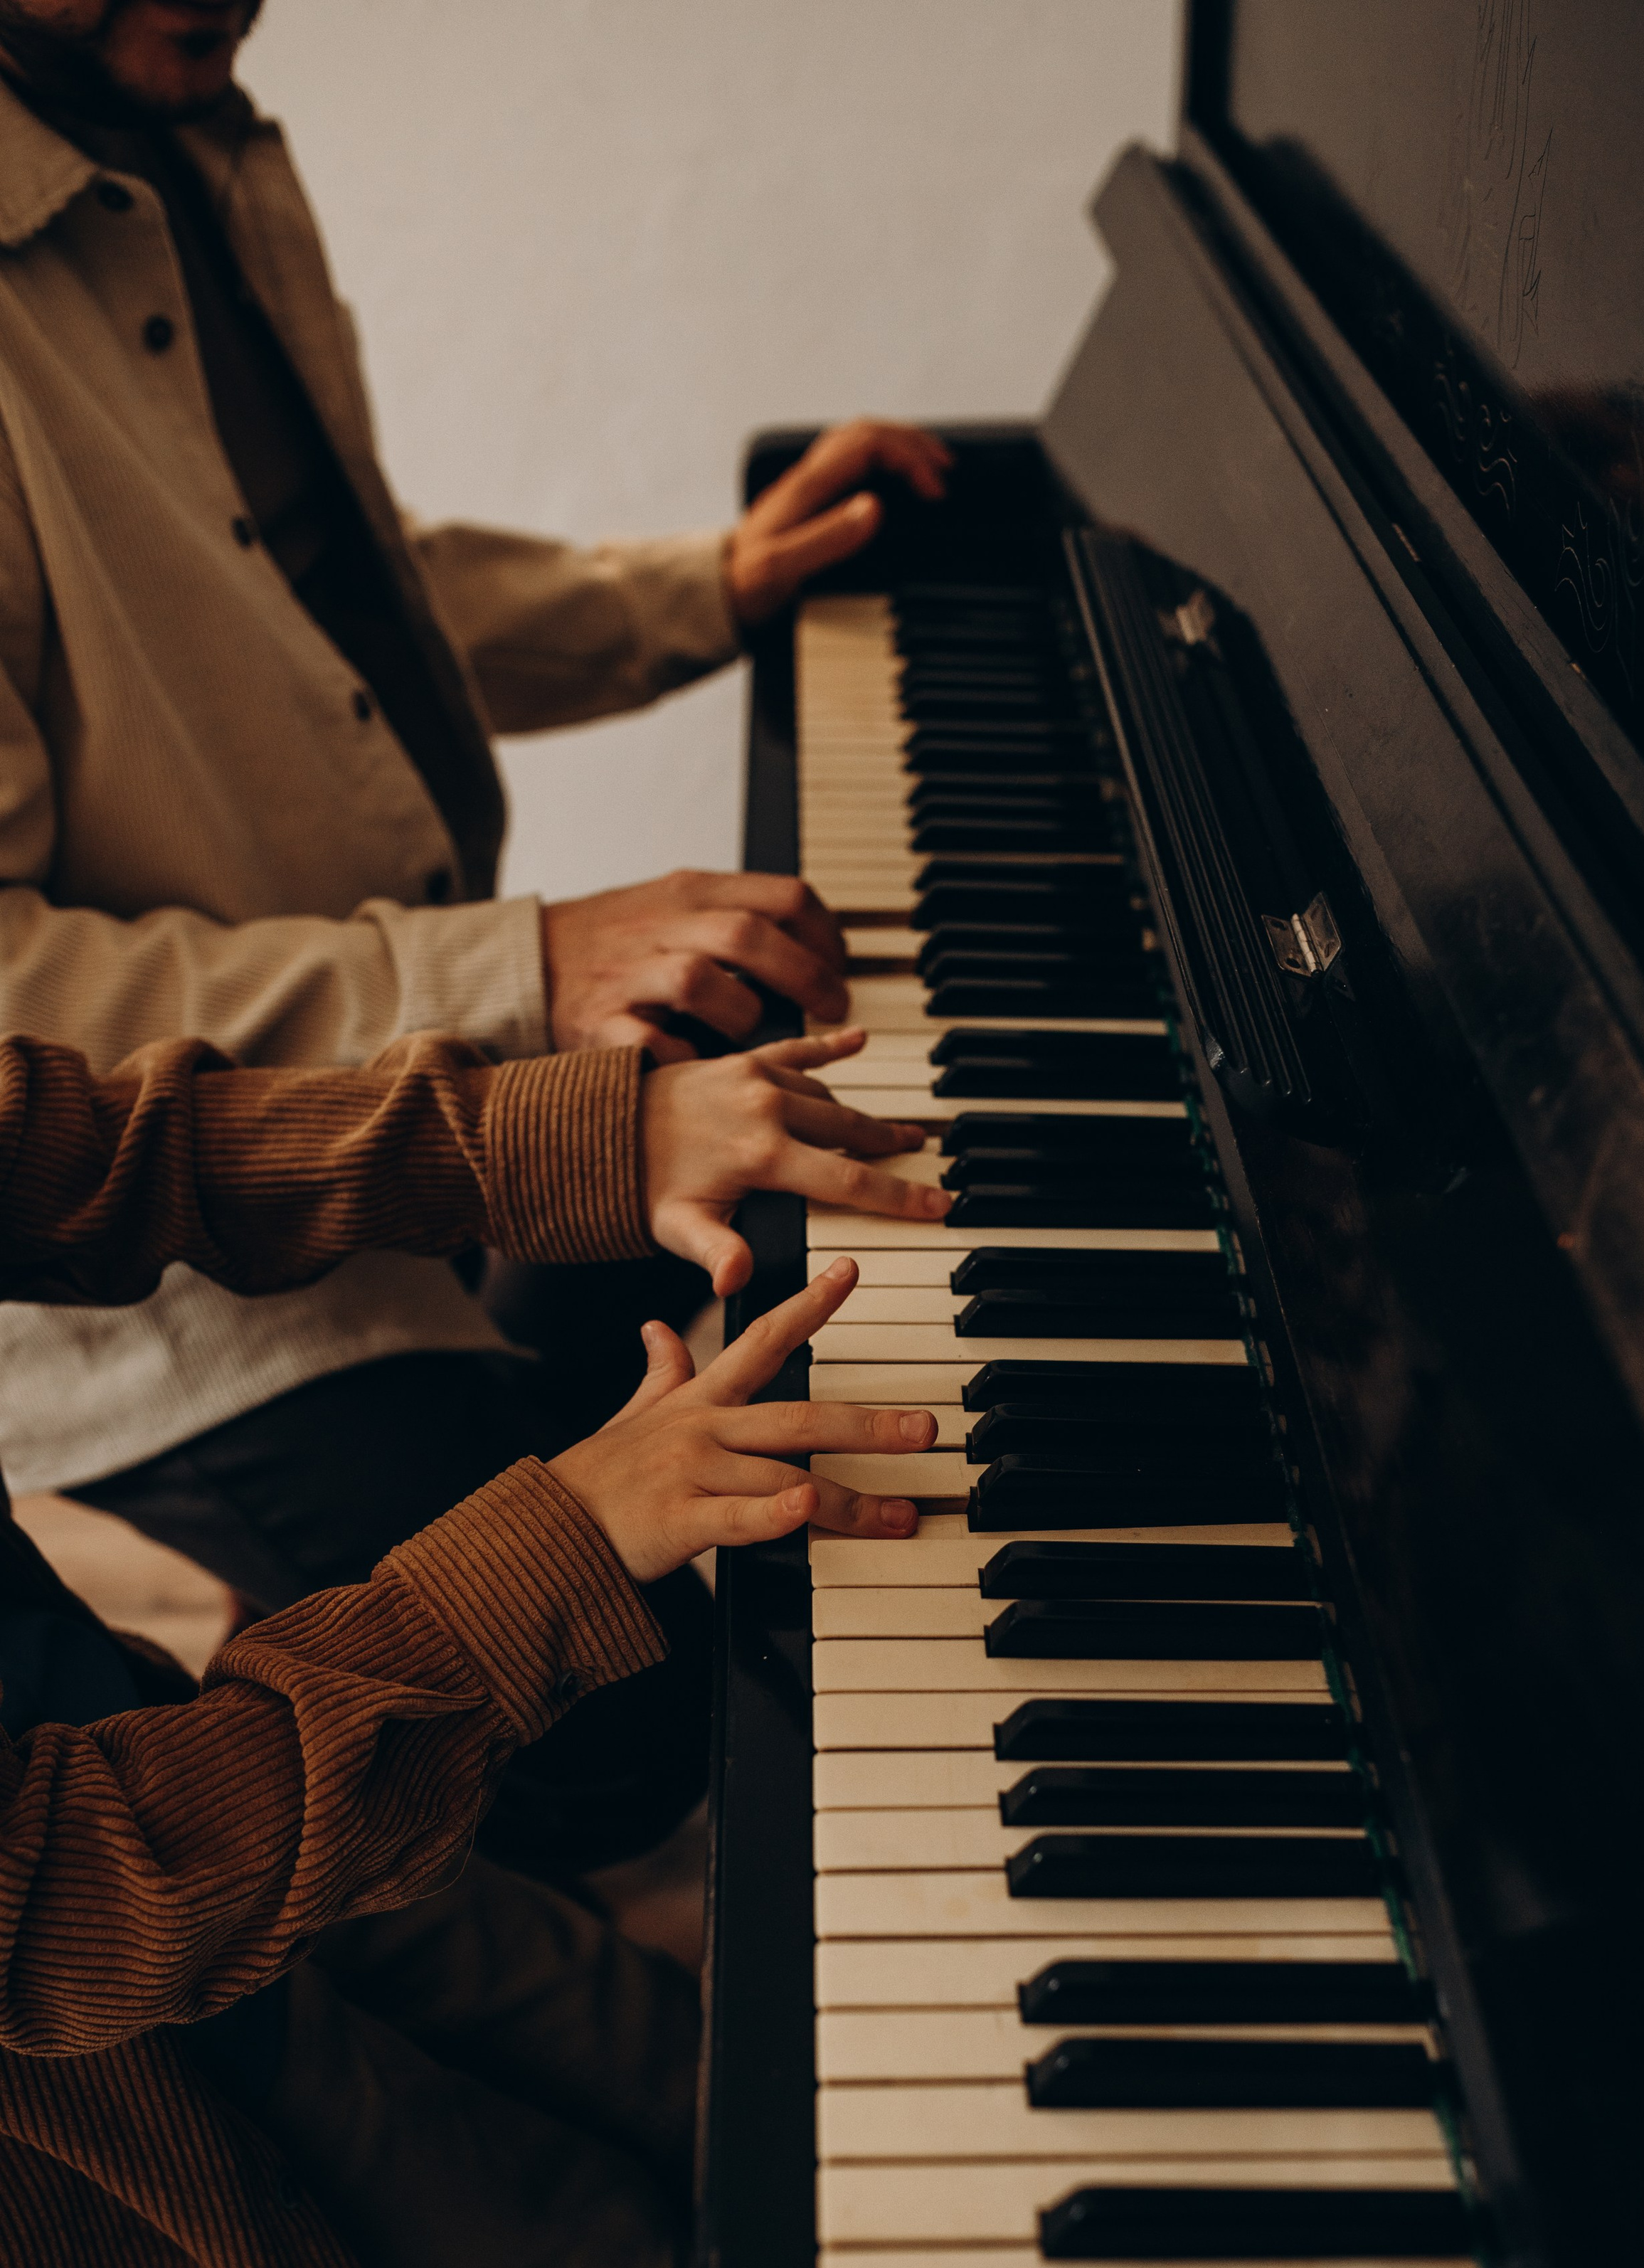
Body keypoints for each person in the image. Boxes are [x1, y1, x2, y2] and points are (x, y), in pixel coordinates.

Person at [0, 0, 951, 1867]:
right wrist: (514, 974)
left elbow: (295, 592)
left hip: (402, 1132)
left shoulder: (181, 124)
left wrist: (692, 592)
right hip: (157, 1284)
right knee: (630, 1733)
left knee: (743, 1083)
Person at [0, 1023, 938, 2268]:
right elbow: (68, 1896)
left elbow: (91, 1152)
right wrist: (555, 1547)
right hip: (92, 2088)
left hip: (177, 1754)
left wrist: (557, 1136)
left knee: (677, 2060)